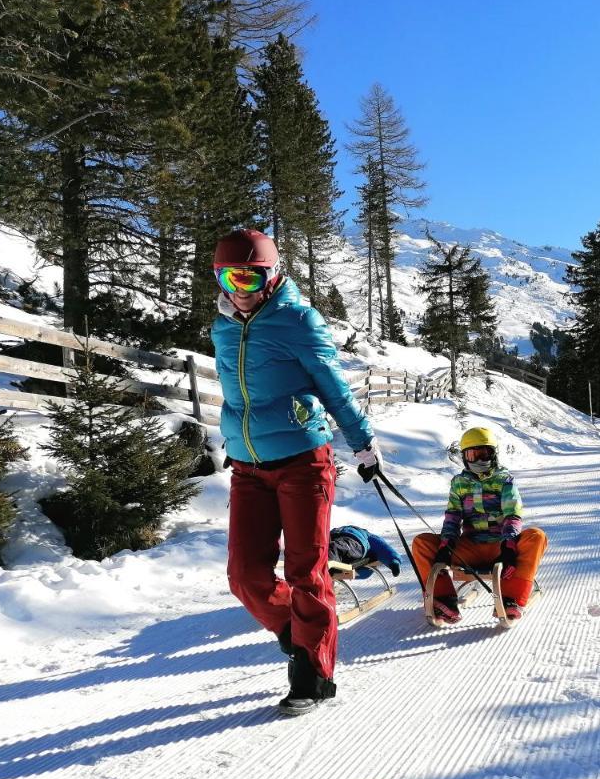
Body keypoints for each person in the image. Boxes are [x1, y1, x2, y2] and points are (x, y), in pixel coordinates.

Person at [210, 228, 382, 715]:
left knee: (306, 569)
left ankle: (312, 671)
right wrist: (237, 439)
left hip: (305, 462)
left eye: (248, 276)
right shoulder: (221, 327)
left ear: (270, 275)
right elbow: (236, 394)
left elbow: (333, 387)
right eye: (227, 276)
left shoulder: (299, 321)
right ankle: (296, 627)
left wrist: (363, 443)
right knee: (244, 575)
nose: (238, 287)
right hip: (248, 466)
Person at [410, 426, 547, 623]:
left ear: (494, 455)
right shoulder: (459, 483)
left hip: (500, 547)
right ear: (465, 457)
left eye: (485, 454)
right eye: (473, 455)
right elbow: (453, 517)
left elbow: (512, 515)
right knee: (422, 542)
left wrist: (508, 545)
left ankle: (511, 599)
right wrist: (446, 546)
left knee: (536, 536)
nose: (480, 460)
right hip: (470, 548)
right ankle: (444, 599)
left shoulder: (504, 481)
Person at [328, 525, 404, 578]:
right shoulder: (365, 534)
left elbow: (383, 548)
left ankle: (325, 562)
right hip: (331, 538)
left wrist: (394, 562)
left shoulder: (369, 536)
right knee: (332, 547)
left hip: (354, 541)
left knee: (339, 547)